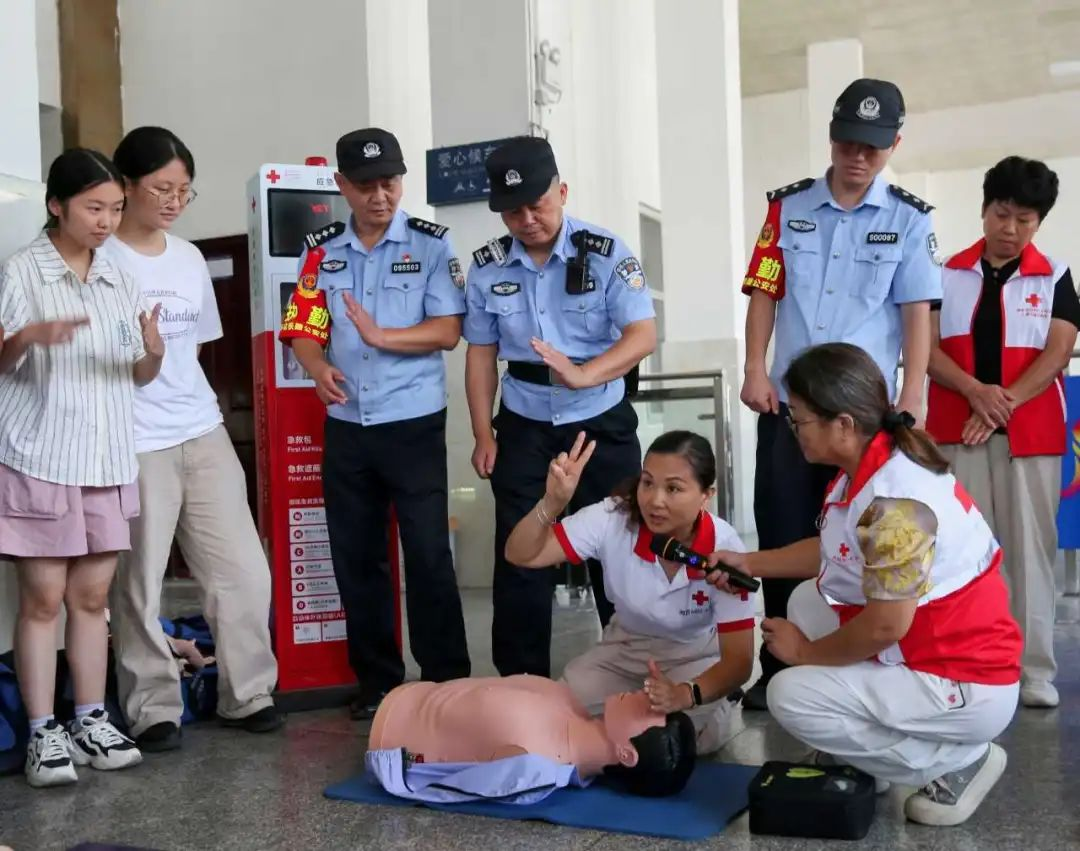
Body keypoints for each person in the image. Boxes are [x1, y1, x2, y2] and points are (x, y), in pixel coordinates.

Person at [710, 343, 1021, 827]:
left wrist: (804, 653)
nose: (793, 430)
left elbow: (884, 627)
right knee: (807, 599)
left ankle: (958, 763)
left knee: (789, 695)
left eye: (799, 418)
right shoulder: (870, 467)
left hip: (962, 678)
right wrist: (748, 561)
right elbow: (833, 549)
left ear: (843, 424)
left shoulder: (895, 502)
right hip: (931, 648)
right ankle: (865, 757)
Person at [738, 78, 942, 710]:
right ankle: (777, 665)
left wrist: (914, 392)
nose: (858, 157)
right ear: (831, 137)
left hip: (862, 415)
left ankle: (856, 659)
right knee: (781, 527)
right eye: (848, 142)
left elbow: (916, 313)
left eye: (872, 148)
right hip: (788, 406)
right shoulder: (786, 209)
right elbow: (764, 292)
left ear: (894, 146)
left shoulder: (909, 219)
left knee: (863, 533)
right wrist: (753, 367)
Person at [280, 128, 470, 719]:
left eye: (389, 182)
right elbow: (304, 326)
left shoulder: (432, 245)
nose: (380, 195)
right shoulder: (321, 251)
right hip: (347, 423)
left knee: (428, 553)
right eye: (366, 185)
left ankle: (444, 680)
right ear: (342, 186)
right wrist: (317, 368)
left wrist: (381, 336)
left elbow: (448, 330)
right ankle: (379, 681)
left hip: (412, 423)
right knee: (357, 557)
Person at [105, 126, 282, 752]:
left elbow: (196, 350)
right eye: (162, 188)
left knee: (242, 571)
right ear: (126, 185)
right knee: (140, 580)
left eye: (185, 190)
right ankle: (153, 707)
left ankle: (248, 692)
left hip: (201, 429)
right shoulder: (101, 259)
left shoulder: (186, 258)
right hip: (134, 438)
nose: (175, 201)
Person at [0, 149, 166, 787]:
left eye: (116, 209)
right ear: (56, 205)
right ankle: (43, 730)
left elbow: (137, 373)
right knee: (43, 600)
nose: (106, 221)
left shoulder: (120, 277)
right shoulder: (23, 271)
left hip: (107, 458)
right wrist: (25, 338)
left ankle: (90, 719)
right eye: (94, 208)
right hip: (41, 456)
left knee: (92, 599)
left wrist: (153, 353)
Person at [465, 136, 657, 678]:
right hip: (525, 424)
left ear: (562, 192)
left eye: (537, 205)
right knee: (521, 549)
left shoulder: (607, 252)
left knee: (621, 544)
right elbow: (480, 355)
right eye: (513, 212)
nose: (527, 220)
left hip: (600, 420)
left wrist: (583, 374)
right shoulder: (488, 267)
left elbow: (642, 333)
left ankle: (634, 669)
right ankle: (521, 682)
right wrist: (483, 433)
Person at [926, 156, 1078, 709]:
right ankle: (974, 665)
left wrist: (998, 403)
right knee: (963, 550)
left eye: (1024, 219)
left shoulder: (1055, 275)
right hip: (955, 431)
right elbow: (926, 350)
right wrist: (976, 392)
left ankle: (1033, 670)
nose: (1010, 228)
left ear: (1039, 222)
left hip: (1029, 435)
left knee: (1030, 553)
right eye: (1001, 214)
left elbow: (1057, 351)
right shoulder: (945, 272)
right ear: (984, 209)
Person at [504, 430, 754, 752]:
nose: (655, 500)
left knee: (672, 743)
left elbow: (739, 661)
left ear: (706, 495)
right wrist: (552, 503)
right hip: (625, 649)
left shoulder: (725, 548)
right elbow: (520, 554)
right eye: (647, 483)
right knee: (555, 714)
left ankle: (718, 702)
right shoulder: (613, 518)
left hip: (694, 655)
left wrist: (685, 694)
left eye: (673, 488)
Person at [367, 676, 696, 800]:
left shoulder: (535, 761)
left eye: (650, 712)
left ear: (627, 754)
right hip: (411, 694)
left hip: (390, 731)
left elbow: (448, 784)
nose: (647, 696)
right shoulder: (569, 702)